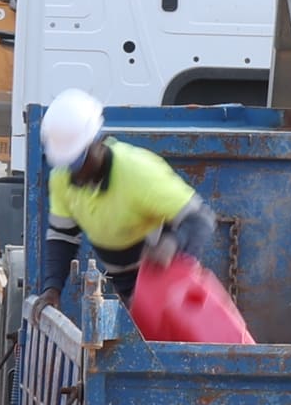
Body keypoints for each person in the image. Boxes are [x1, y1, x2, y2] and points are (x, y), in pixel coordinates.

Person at [35, 87, 213, 306]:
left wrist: (171, 244)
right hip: (126, 283)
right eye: (67, 164)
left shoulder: (137, 171)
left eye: (78, 162)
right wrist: (52, 288)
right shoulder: (62, 177)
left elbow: (200, 220)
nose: (75, 173)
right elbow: (63, 237)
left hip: (165, 279)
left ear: (98, 141)